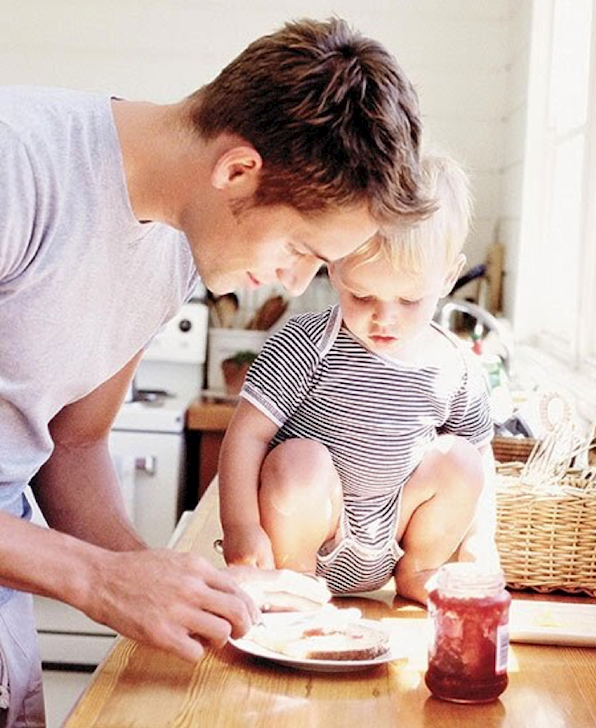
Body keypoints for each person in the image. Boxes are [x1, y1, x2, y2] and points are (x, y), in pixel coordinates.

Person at [0, 17, 432, 726]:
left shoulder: (173, 244)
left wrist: (185, 587)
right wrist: (96, 577)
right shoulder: (18, 166)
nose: (294, 287)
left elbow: (71, 443)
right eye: (301, 247)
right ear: (238, 170)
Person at [218, 155, 499, 607]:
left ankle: (420, 571)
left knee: (463, 459)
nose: (383, 317)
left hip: (393, 530)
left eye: (409, 299)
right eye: (362, 294)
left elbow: (482, 466)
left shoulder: (455, 366)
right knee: (298, 461)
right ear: (334, 267)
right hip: (311, 528)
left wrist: (479, 543)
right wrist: (242, 530)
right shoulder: (306, 344)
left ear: (448, 277)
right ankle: (296, 580)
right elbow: (245, 436)